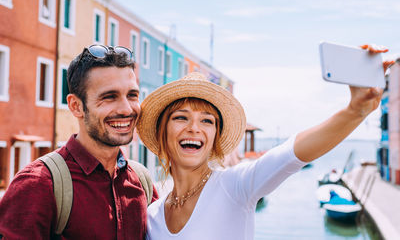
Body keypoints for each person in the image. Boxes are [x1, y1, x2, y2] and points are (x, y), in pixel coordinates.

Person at [136, 44, 392, 240]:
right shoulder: (152, 216)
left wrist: (354, 111)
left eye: (207, 121)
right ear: (163, 132)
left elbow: (291, 154)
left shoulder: (234, 186)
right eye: (181, 117)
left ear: (215, 138)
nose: (194, 128)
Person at [0, 45, 158, 239]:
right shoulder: (38, 184)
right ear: (76, 106)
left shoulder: (142, 181)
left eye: (132, 95)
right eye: (109, 97)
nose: (127, 109)